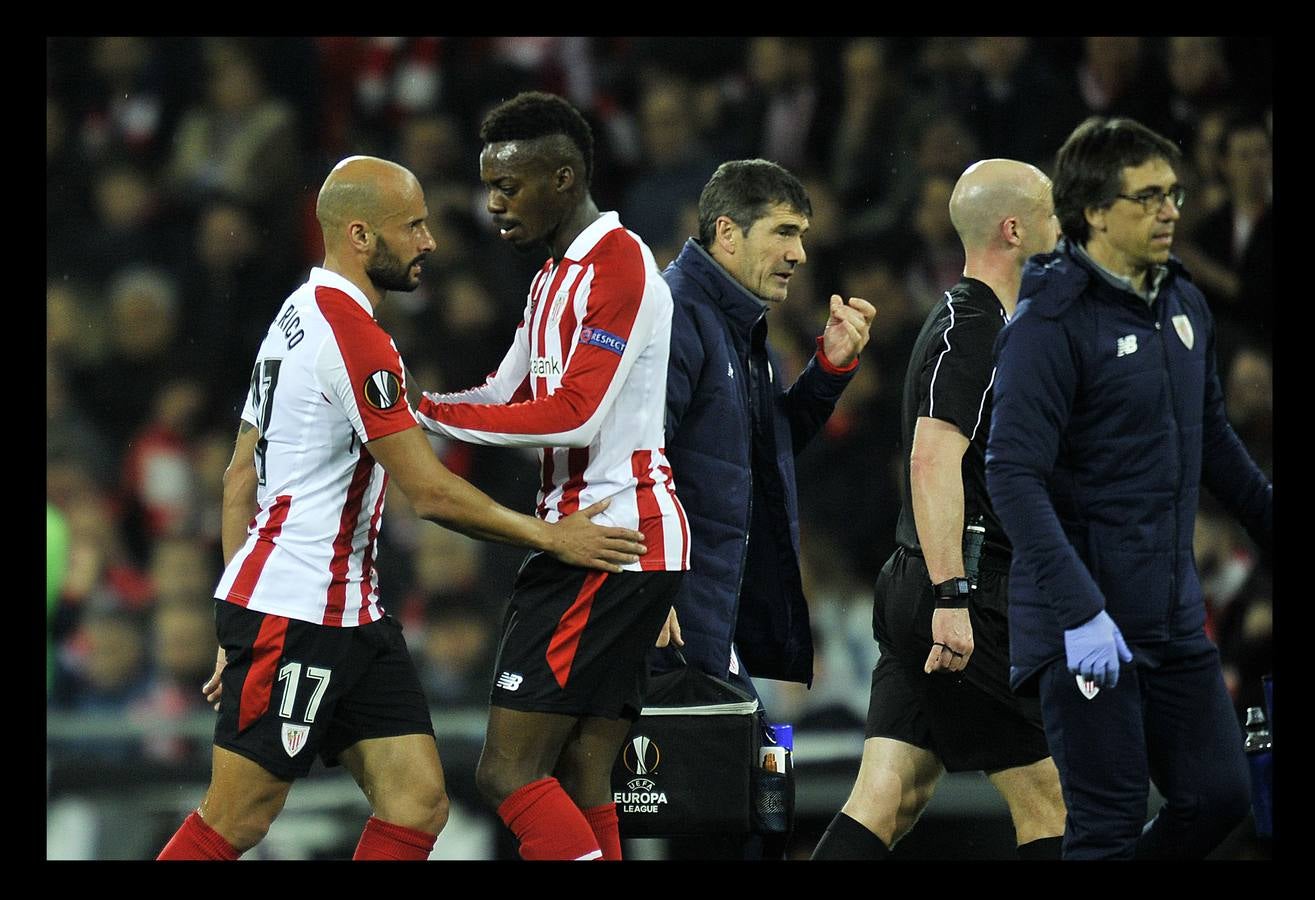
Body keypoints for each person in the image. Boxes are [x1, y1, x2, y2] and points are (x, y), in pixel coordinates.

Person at [156, 155, 646, 861]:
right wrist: (552, 538)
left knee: (416, 802)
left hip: (344, 613)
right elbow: (430, 491)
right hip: (298, 611)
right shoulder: (354, 341)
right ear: (360, 235)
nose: (430, 242)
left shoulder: (295, 313)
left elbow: (239, 476)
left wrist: (239, 606)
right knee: (237, 818)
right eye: (412, 226)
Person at [985, 117, 1273, 859]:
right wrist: (1079, 612)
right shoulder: (1048, 321)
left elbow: (1211, 443)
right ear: (1093, 212)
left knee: (1219, 797)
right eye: (1146, 197)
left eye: (1171, 193)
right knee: (1105, 827)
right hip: (1082, 624)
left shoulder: (1183, 304)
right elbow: (1011, 475)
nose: (1169, 210)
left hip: (1172, 619)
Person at [413, 92, 689, 862]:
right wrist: (419, 408)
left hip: (605, 540)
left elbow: (571, 415)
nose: (491, 202)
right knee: (581, 770)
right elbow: (505, 394)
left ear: (563, 178)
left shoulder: (620, 262)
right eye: (487, 185)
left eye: (509, 185)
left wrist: (415, 419)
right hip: (608, 542)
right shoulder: (549, 278)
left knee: (506, 773)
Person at [811, 159, 1066, 860]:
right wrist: (953, 594)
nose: (1061, 226)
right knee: (1052, 799)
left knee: (889, 796)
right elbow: (930, 459)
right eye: (1050, 213)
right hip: (962, 589)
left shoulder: (980, 321)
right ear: (1013, 229)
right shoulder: (974, 326)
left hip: (923, 579)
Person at [653, 159, 874, 857]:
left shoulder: (742, 331)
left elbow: (760, 453)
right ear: (727, 231)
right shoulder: (673, 317)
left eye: (802, 235)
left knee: (764, 805)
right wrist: (652, 587)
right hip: (677, 618)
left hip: (723, 621)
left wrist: (828, 371)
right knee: (719, 820)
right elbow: (634, 461)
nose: (798, 254)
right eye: (783, 232)